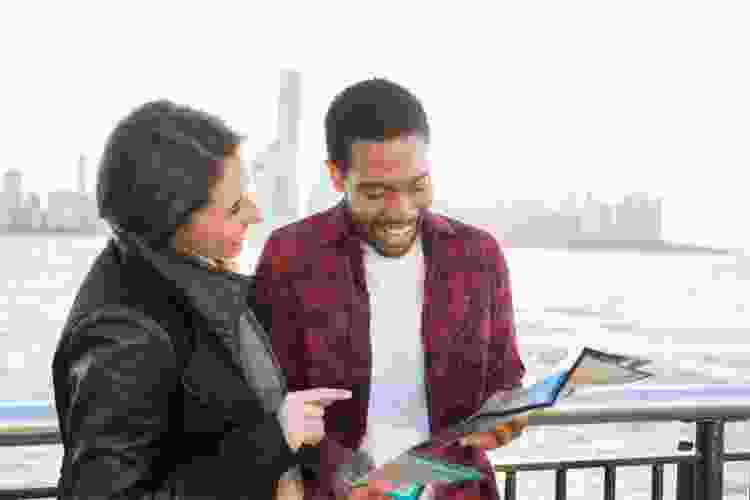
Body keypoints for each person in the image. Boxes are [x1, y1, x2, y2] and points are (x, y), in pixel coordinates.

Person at [51, 100, 351, 499]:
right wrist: (274, 439)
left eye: (245, 193)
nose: (255, 213)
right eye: (232, 208)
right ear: (174, 220)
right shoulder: (125, 334)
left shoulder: (190, 282)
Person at [253, 78, 527, 500]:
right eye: (376, 193)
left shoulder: (479, 256)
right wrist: (346, 481)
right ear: (335, 175)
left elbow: (506, 379)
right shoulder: (290, 256)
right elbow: (265, 404)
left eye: (417, 186)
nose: (401, 211)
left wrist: (509, 409)